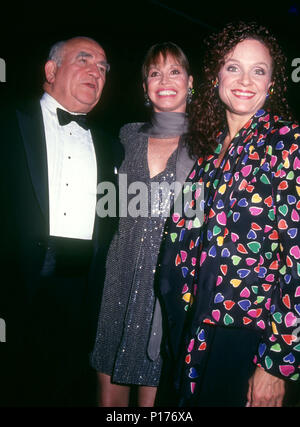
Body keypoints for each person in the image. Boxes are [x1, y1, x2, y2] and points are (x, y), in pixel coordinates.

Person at [158, 21, 300, 407]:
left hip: (246, 336)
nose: (245, 79)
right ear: (216, 75)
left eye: (259, 70)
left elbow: (298, 260)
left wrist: (276, 364)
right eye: (233, 66)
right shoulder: (208, 157)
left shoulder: (287, 143)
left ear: (272, 84)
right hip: (194, 331)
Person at [0, 36, 121, 406]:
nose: (95, 72)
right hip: (17, 286)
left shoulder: (111, 145)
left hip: (84, 292)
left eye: (102, 68)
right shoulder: (7, 122)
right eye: (84, 60)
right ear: (51, 70)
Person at [90, 41, 196, 407]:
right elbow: (107, 212)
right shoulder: (126, 137)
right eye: (155, 73)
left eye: (174, 71)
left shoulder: (210, 146)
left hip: (167, 290)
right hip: (117, 279)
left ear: (191, 82)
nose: (164, 80)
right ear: (145, 86)